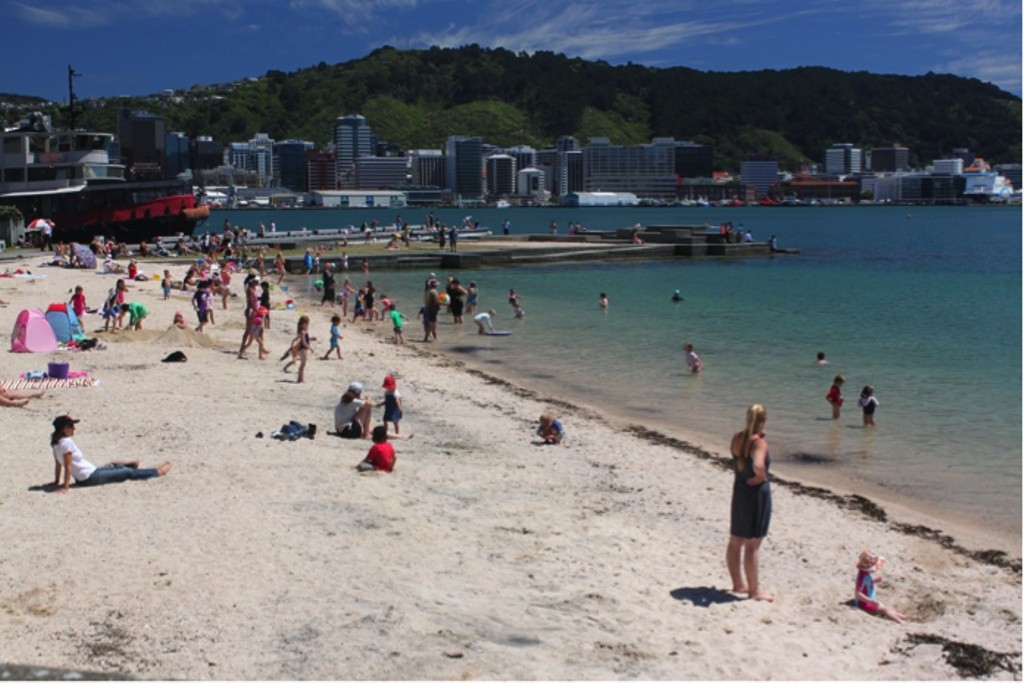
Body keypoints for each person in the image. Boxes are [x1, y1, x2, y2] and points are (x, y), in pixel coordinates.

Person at [726, 403, 774, 602]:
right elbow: (758, 465)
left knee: (735, 540)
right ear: (763, 421)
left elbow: (741, 457)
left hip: (739, 491)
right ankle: (754, 591)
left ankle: (738, 584)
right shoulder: (759, 443)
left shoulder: (737, 437)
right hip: (755, 495)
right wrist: (760, 478)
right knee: (752, 545)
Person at [50, 415, 171, 491]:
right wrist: (66, 487)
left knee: (113, 466)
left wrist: (56, 481)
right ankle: (157, 472)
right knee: (127, 473)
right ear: (64, 429)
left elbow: (58, 465)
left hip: (90, 472)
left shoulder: (56, 444)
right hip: (89, 477)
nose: (74, 428)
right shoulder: (67, 443)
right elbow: (67, 466)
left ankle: (130, 465)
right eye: (71, 426)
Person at [854, 550, 906, 623]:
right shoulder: (861, 578)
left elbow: (866, 584)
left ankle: (903, 617)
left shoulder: (865, 574)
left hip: (869, 601)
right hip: (864, 605)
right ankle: (901, 622)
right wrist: (870, 601)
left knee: (887, 607)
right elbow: (858, 594)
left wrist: (874, 581)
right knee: (885, 609)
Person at [283, 316, 313, 382]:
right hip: (303, 349)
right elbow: (304, 342)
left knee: (302, 364)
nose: (308, 325)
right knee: (303, 365)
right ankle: (301, 379)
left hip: (302, 349)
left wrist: (311, 338)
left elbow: (295, 340)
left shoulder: (302, 332)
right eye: (307, 324)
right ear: (304, 324)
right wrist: (310, 348)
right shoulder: (303, 332)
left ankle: (299, 379)